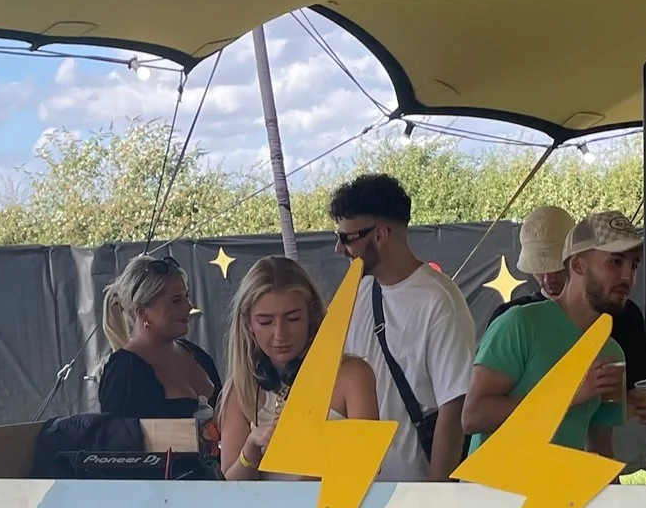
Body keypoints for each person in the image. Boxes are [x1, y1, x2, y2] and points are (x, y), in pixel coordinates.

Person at [462, 210, 643, 457]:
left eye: (634, 265)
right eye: (615, 262)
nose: (627, 277)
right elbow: (473, 416)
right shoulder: (520, 324)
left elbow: (600, 448)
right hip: (492, 482)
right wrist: (566, 394)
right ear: (578, 265)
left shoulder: (611, 352)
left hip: (559, 483)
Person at [331, 173, 475, 483]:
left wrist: (436, 493)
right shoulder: (357, 292)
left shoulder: (438, 300)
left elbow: (454, 408)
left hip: (413, 488)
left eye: (347, 238)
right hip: (357, 486)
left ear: (381, 235)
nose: (338, 248)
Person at [217, 257, 379, 479]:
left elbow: (366, 467)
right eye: (266, 322)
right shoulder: (241, 388)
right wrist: (250, 450)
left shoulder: (353, 376)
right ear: (248, 324)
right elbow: (229, 484)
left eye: (293, 319)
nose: (280, 334)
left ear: (311, 316)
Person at [96, 252, 221, 418]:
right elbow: (117, 433)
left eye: (186, 296)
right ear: (142, 312)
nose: (189, 306)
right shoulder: (123, 372)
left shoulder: (197, 355)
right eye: (176, 300)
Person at [483, 205, 573, 330]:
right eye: (538, 269)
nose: (547, 279)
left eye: (556, 269)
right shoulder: (505, 317)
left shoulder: (597, 315)